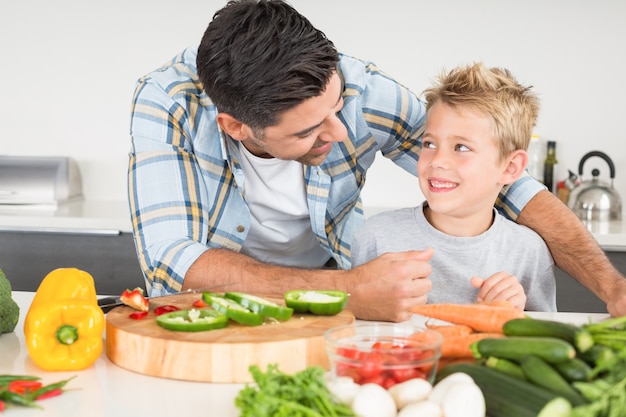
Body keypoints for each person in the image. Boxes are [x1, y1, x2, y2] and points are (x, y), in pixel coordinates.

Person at [128, 0, 626, 321]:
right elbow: (173, 259)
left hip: (331, 301)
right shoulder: (170, 104)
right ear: (236, 126)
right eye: (307, 130)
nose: (340, 131)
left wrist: (612, 287)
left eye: (337, 105)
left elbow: (504, 184)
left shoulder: (360, 85)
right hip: (221, 309)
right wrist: (349, 287)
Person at [351, 63, 555, 311]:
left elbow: (541, 338)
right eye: (429, 143)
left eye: (461, 147)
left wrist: (513, 315)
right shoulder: (375, 237)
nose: (437, 161)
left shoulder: (529, 252)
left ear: (510, 167)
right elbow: (355, 329)